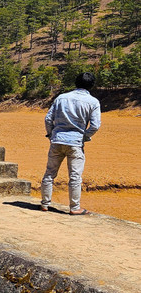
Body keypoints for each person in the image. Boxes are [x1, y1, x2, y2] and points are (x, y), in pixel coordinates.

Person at [40, 72, 101, 215]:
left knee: (49, 173)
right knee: (75, 176)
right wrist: (84, 137)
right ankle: (74, 208)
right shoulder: (93, 102)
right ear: (91, 85)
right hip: (76, 143)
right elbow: (95, 125)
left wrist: (51, 134)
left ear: (76, 82)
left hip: (57, 140)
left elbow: (48, 119)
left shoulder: (61, 98)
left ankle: (44, 204)